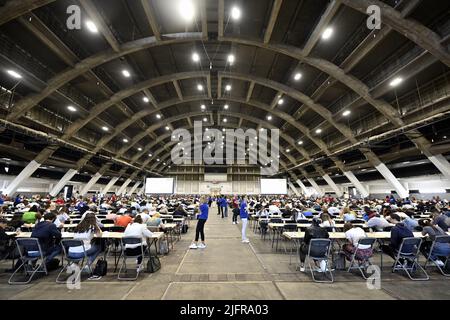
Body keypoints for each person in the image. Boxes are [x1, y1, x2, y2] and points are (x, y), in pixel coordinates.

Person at [68, 212, 102, 278]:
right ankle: (87, 265)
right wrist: (96, 226)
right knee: (98, 247)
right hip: (81, 252)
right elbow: (100, 235)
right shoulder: (92, 227)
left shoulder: (78, 226)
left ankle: (74, 264)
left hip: (70, 252)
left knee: (90, 249)